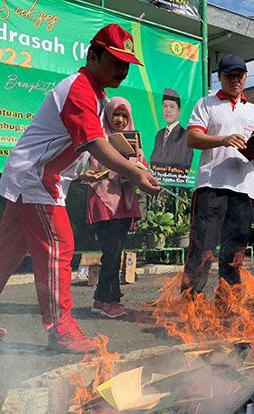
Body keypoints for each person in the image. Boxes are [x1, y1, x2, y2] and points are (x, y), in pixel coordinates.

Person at [0, 24, 161, 353]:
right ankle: (61, 329)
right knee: (60, 246)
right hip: (37, 180)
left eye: (127, 64)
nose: (122, 69)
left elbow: (98, 143)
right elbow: (94, 144)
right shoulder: (79, 89)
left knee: (5, 254)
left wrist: (134, 165)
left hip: (34, 178)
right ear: (92, 57)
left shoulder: (95, 94)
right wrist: (135, 172)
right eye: (116, 60)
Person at [183, 54, 254, 292]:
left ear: (246, 77)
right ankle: (189, 304)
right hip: (211, 186)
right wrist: (223, 140)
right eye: (229, 75)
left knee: (235, 253)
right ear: (219, 77)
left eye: (239, 75)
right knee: (202, 249)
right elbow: (192, 137)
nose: (235, 80)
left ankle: (227, 306)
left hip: (244, 189)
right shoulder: (206, 104)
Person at [84, 97, 147, 319]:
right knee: (111, 253)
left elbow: (144, 171)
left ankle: (103, 300)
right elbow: (88, 169)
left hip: (124, 203)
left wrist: (139, 168)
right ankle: (108, 300)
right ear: (108, 116)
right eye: (115, 115)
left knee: (114, 253)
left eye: (124, 116)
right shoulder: (98, 138)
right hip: (105, 201)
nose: (119, 120)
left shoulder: (134, 142)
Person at [149, 88, 193, 170]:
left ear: (179, 111)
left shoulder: (185, 135)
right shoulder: (159, 134)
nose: (168, 110)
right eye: (165, 106)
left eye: (172, 106)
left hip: (175, 181)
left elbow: (184, 164)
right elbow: (153, 160)